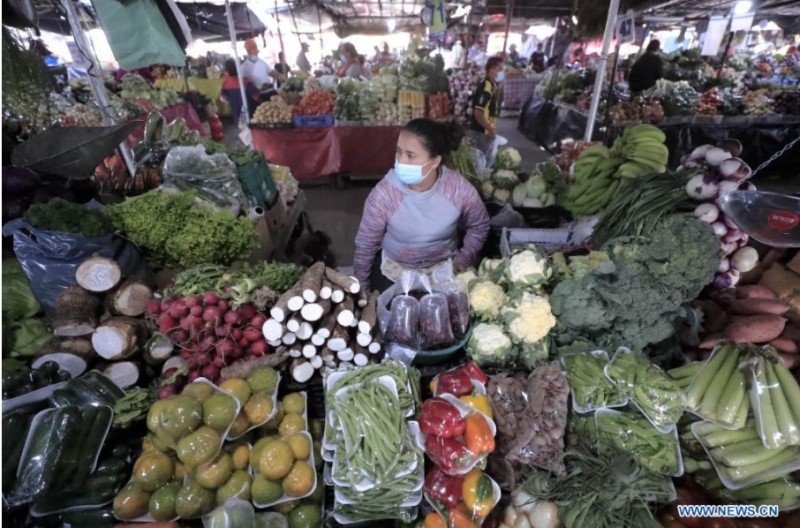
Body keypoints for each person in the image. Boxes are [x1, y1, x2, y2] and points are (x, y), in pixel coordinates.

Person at [353, 119, 490, 291]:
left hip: (443, 273)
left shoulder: (458, 190)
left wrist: (463, 259)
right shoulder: (385, 194)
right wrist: (361, 288)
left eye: (410, 155)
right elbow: (366, 243)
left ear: (434, 162)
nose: (401, 161)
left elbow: (480, 225)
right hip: (394, 273)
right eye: (398, 152)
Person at [468, 56, 504, 163]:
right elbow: (478, 113)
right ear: (491, 69)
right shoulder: (486, 88)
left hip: (485, 132)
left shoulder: (492, 86)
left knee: (483, 163)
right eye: (500, 69)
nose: (502, 73)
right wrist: (489, 129)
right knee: (479, 164)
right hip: (480, 133)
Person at [220, 58, 262, 124]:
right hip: (250, 114)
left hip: (236, 114)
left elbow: (224, 99)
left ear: (226, 71)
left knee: (242, 131)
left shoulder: (225, 83)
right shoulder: (245, 82)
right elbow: (257, 97)